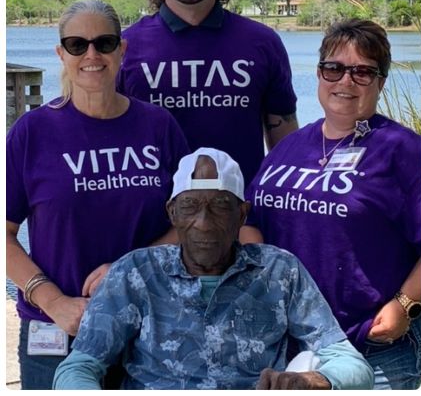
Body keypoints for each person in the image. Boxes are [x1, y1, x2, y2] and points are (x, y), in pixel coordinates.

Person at [52, 148, 374, 389]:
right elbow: (78, 368)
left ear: (242, 214)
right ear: (172, 213)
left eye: (220, 206)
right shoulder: (136, 273)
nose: (204, 224)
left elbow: (353, 365)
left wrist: (315, 380)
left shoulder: (279, 271)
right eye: (190, 206)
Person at [5, 0, 189, 389]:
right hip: (57, 328)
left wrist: (128, 269)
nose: (91, 54)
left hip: (148, 323)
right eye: (77, 45)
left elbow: (189, 222)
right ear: (61, 53)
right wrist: (54, 302)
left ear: (121, 50)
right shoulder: (31, 133)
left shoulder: (158, 126)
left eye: (104, 43)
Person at [245, 19, 421, 389]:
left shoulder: (403, 150)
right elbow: (253, 218)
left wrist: (405, 304)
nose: (345, 81)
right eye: (334, 68)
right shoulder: (291, 146)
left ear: (381, 82)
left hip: (371, 346)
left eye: (362, 72)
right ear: (319, 74)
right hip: (291, 342)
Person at [118, 0, 298, 186]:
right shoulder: (124, 48)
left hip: (242, 221)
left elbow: (284, 140)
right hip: (153, 222)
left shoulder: (263, 43)